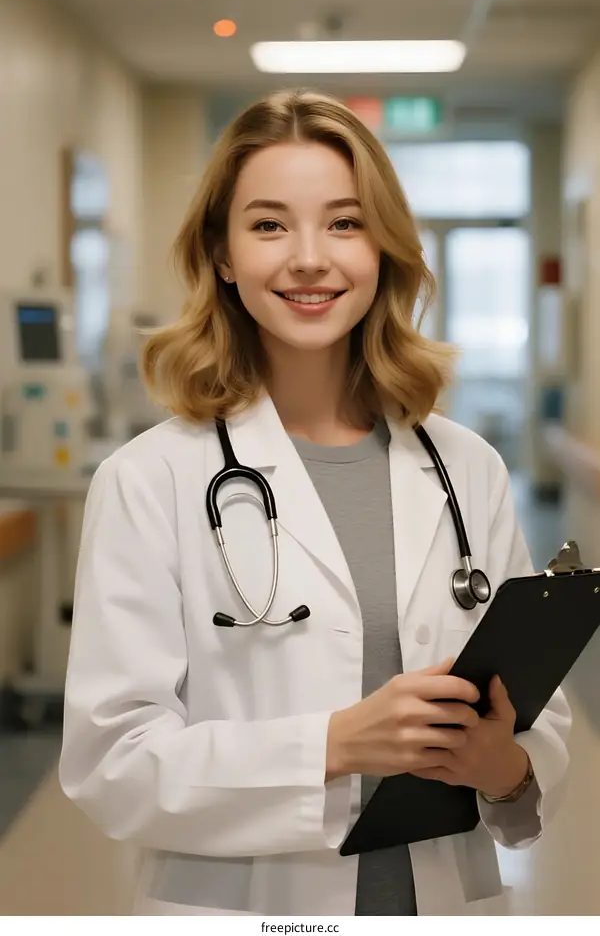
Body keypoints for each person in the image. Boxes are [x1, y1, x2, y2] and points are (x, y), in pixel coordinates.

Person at [59, 89, 571, 917]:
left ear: (385, 248)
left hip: (444, 900)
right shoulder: (150, 478)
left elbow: (541, 718)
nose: (309, 258)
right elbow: (111, 761)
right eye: (268, 225)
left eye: (344, 222)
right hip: (243, 905)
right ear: (222, 254)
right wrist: (333, 745)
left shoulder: (465, 466)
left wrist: (502, 767)